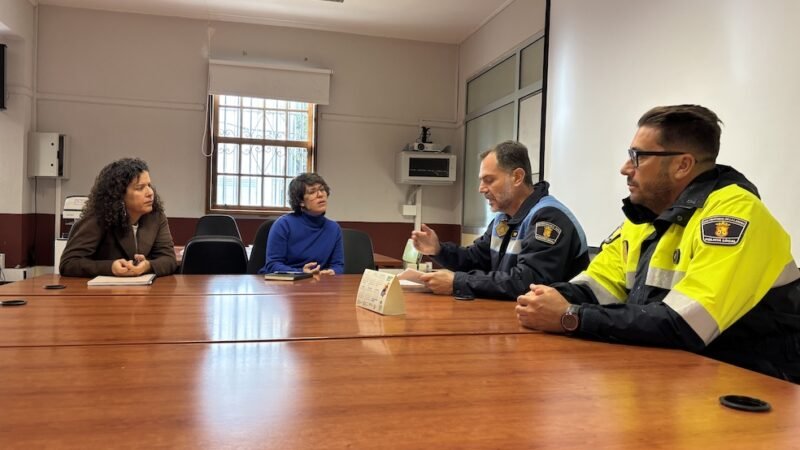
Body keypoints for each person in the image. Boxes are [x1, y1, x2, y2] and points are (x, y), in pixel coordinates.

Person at [516, 104, 800, 382]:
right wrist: (544, 299)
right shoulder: (647, 218)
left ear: (682, 165)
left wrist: (570, 316)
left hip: (752, 387)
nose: (625, 168)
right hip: (678, 374)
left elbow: (684, 325)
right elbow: (596, 286)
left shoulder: (732, 216)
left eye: (637, 156)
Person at [411, 140, 589, 300]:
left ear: (517, 177)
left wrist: (458, 282)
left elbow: (527, 282)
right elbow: (475, 258)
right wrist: (439, 250)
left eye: (489, 180)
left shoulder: (549, 218)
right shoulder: (503, 219)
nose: (481, 189)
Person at [60, 158, 178, 277]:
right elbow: (69, 263)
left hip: (142, 292)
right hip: (102, 293)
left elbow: (169, 259)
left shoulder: (156, 217)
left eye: (149, 185)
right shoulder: (98, 218)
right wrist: (110, 268)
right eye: (140, 188)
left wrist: (148, 266)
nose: (150, 192)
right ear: (119, 194)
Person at [259, 173, 344, 275]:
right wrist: (301, 272)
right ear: (301, 201)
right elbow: (272, 265)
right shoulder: (283, 225)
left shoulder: (334, 228)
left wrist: (332, 272)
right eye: (312, 192)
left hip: (318, 284)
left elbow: (338, 265)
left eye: (322, 190)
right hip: (284, 284)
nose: (320, 195)